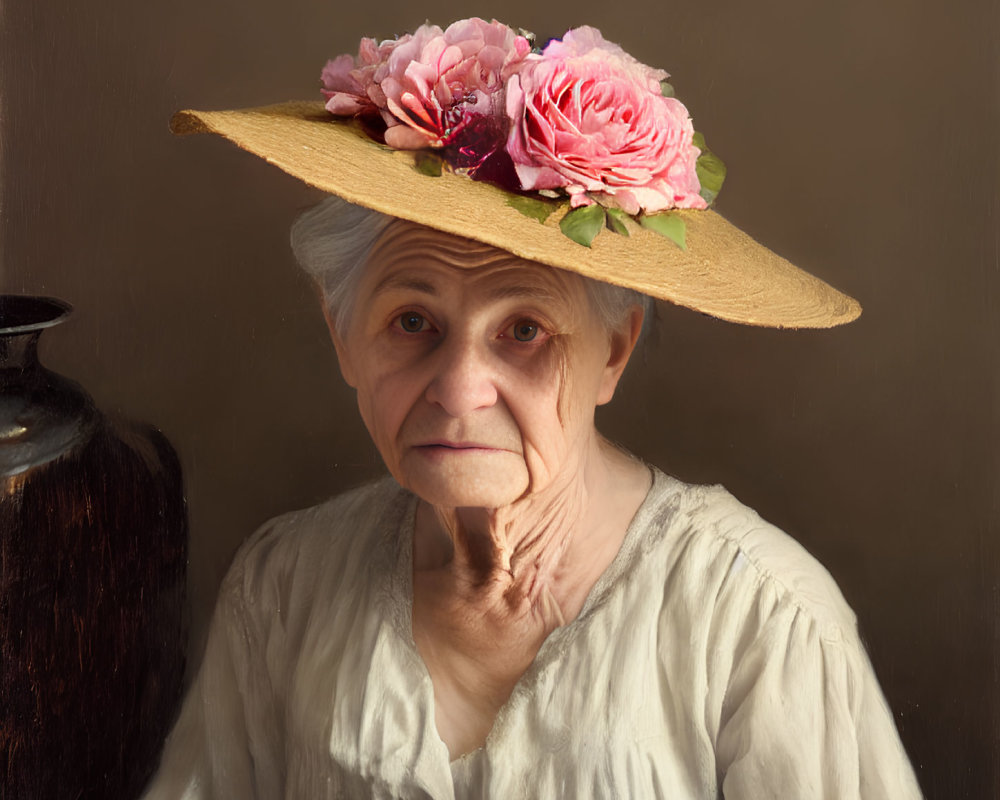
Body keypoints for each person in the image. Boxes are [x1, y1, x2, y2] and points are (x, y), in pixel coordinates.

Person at [146, 18, 922, 799]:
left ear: (611, 354)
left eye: (523, 331)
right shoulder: (286, 587)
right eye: (412, 322)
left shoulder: (757, 619)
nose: (459, 389)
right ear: (342, 336)